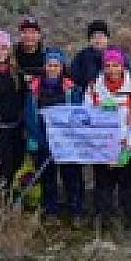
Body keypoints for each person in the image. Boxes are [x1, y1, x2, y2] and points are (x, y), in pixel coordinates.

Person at [86, 48, 131, 231]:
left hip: (124, 145)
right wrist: (97, 143)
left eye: (115, 65)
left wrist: (130, 144)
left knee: (126, 182)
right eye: (108, 65)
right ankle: (103, 221)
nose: (112, 69)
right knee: (103, 183)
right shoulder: (93, 87)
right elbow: (86, 116)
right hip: (101, 145)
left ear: (122, 66)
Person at [24, 48, 85, 223]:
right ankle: (50, 210)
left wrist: (69, 137)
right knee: (47, 178)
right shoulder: (34, 88)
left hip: (67, 142)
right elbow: (29, 116)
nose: (52, 68)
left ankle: (76, 211)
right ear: (44, 66)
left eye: (56, 65)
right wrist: (41, 139)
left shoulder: (72, 89)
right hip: (43, 140)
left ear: (61, 66)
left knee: (72, 177)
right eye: (49, 65)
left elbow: (78, 114)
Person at [0, 30, 26, 195]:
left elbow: (23, 98)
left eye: (3, 47)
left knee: (15, 164)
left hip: (15, 127)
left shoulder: (17, 74)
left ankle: (8, 201)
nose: (0, 51)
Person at [71, 20, 128, 89]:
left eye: (101, 37)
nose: (98, 40)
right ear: (90, 40)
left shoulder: (117, 54)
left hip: (116, 92)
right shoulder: (82, 56)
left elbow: (128, 74)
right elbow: (73, 75)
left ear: (107, 38)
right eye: (94, 37)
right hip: (89, 93)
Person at [13, 16, 47, 82]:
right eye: (25, 32)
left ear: (39, 35)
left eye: (33, 32)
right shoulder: (12, 56)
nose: (29, 36)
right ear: (19, 35)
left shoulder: (47, 56)